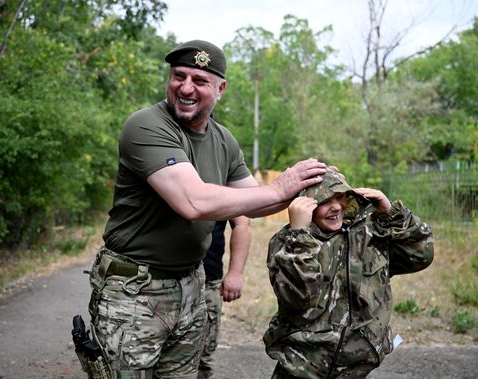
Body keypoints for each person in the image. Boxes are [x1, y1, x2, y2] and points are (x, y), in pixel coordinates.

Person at [86, 39, 328, 378]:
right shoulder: (146, 126)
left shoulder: (224, 139)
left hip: (191, 286)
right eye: (178, 76)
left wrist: (319, 194)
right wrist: (278, 187)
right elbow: (193, 202)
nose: (185, 88)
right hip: (134, 292)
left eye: (199, 81)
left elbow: (257, 202)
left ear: (220, 88)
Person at [263, 168, 434, 379]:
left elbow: (420, 257)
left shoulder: (368, 233)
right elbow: (300, 298)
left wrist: (392, 216)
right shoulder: (287, 242)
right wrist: (299, 237)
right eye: (325, 200)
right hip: (301, 367)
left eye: (341, 197)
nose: (336, 206)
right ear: (305, 205)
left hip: (357, 367)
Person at [198, 216, 251, 379]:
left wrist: (235, 273)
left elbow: (242, 223)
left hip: (208, 281)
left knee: (202, 358)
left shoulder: (222, 188)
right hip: (159, 278)